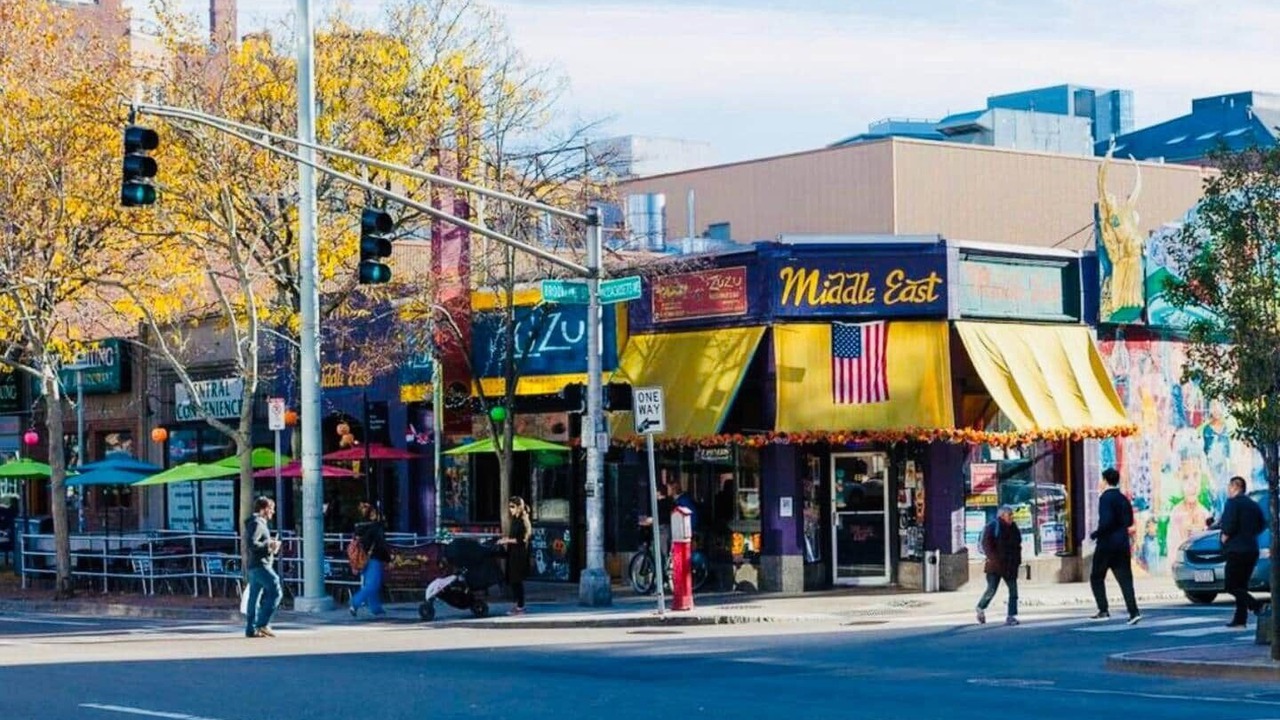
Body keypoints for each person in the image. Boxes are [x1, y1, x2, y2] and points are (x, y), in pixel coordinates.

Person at [1089, 468, 1142, 624]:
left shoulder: (1105, 498)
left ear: (1105, 480)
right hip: (1122, 544)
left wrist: (1096, 533)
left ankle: (1103, 609)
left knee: (1096, 577)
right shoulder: (1123, 498)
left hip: (1106, 544)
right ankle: (1134, 612)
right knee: (1125, 580)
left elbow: (1106, 521)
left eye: (1101, 479)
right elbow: (1129, 521)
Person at [1219, 476, 1268, 628]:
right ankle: (1240, 619)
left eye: (1230, 486)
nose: (1228, 489)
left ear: (1235, 487)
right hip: (1251, 549)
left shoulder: (1233, 503)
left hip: (1236, 550)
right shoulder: (1253, 505)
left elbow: (1229, 524)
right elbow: (1262, 523)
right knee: (1241, 586)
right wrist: (1249, 534)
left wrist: (1225, 537)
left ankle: (1257, 605)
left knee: (1231, 586)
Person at [976, 505, 1022, 626]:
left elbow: (1017, 545)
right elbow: (986, 545)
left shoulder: (1014, 528)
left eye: (1012, 515)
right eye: (1009, 515)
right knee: (991, 589)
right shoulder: (993, 526)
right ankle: (980, 607)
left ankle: (1011, 616)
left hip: (1010, 565)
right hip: (995, 566)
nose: (1012, 517)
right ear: (1002, 516)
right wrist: (995, 560)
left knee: (1013, 592)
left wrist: (1017, 561)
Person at [243, 497, 282, 638]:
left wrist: (269, 545)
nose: (273, 512)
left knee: (254, 597)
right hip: (261, 565)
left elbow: (254, 543)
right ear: (263, 509)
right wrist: (269, 545)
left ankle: (251, 628)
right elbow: (252, 544)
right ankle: (262, 624)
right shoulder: (258, 523)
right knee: (276, 590)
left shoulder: (255, 523)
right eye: (271, 509)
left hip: (254, 565)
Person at [349, 503, 391, 617]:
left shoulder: (361, 527)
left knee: (371, 583)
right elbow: (380, 545)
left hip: (363, 559)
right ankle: (355, 602)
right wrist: (388, 559)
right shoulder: (376, 528)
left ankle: (376, 608)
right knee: (373, 584)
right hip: (374, 559)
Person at [497, 496, 531, 615]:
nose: (510, 509)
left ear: (519, 507)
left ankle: (520, 607)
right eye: (509, 507)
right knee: (513, 580)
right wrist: (506, 539)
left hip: (519, 555)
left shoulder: (523, 520)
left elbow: (523, 539)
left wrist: (507, 540)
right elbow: (514, 537)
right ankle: (518, 605)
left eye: (512, 507)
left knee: (517, 580)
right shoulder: (515, 520)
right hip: (512, 553)